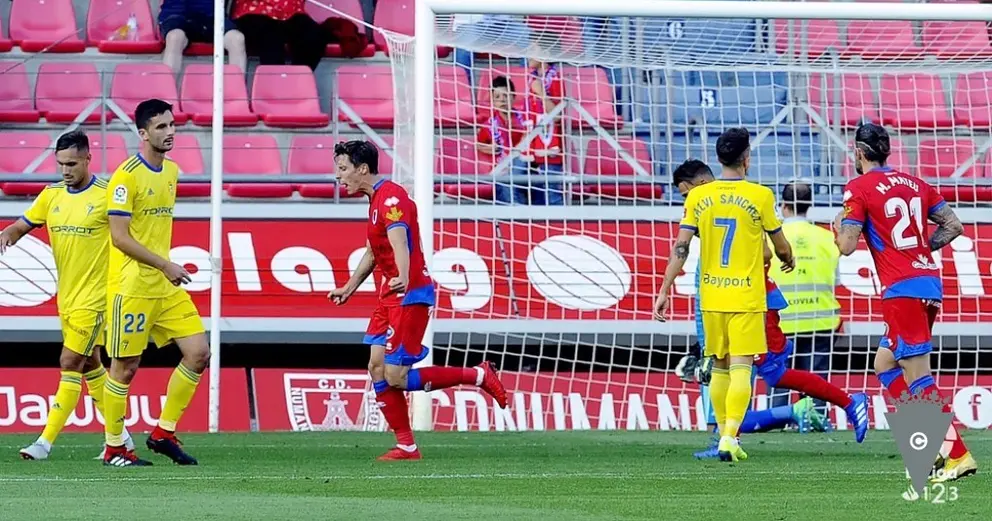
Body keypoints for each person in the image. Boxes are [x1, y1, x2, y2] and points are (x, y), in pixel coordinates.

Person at [669, 160, 868, 460]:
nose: (686, 203)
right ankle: (732, 436)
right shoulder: (734, 204)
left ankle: (833, 405)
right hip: (744, 302)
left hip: (754, 303)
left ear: (699, 187)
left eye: (686, 195)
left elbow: (766, 250)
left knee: (755, 372)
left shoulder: (737, 204)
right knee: (756, 373)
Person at [328, 140, 508, 461]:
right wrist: (349, 287)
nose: (338, 177)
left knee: (396, 376)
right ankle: (407, 446)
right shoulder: (374, 201)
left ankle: (478, 375)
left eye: (343, 169)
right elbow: (374, 251)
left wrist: (404, 276)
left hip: (409, 294)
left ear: (363, 169)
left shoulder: (392, 198)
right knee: (376, 366)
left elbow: (401, 242)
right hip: (390, 294)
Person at [834, 122, 976, 483]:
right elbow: (953, 225)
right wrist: (919, 251)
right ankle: (927, 446)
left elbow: (847, 246)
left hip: (902, 291)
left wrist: (839, 224)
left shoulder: (859, 187)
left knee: (918, 375)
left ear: (860, 153)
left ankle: (956, 454)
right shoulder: (915, 183)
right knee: (885, 363)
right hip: (928, 282)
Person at [653, 128, 795, 463]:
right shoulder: (760, 195)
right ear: (747, 158)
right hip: (746, 295)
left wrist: (664, 289)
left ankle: (721, 438)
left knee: (717, 367)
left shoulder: (697, 198)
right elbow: (779, 245)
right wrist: (788, 257)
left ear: (718, 160)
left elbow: (681, 247)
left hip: (711, 295)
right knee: (742, 368)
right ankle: (730, 437)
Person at [1, 131, 134, 460]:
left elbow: (129, 236)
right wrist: (6, 234)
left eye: (72, 163)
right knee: (91, 365)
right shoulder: (51, 195)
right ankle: (122, 438)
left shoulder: (107, 196)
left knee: (69, 362)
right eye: (60, 164)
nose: (65, 170)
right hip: (68, 299)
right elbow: (22, 225)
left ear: (88, 159)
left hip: (98, 299)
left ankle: (43, 443)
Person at [102, 99, 210, 467]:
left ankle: (163, 433)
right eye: (161, 127)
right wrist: (165, 264)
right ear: (143, 133)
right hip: (132, 285)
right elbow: (119, 237)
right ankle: (114, 446)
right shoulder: (126, 176)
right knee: (125, 367)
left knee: (198, 353)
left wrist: (165, 269)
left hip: (164, 285)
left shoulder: (172, 171)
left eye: (172, 124)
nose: (170, 132)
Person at [767, 180, 841, 413]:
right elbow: (835, 280)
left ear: (783, 205)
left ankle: (776, 427)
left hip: (780, 323)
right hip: (820, 322)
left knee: (779, 382)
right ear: (809, 205)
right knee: (817, 385)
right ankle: (817, 425)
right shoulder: (826, 237)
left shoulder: (770, 237)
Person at [475, 76, 529, 205]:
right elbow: (478, 145)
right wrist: (489, 148)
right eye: (497, 98)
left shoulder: (526, 119)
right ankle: (515, 215)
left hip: (527, 167)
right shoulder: (488, 125)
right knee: (504, 180)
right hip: (502, 170)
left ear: (514, 97)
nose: (502, 101)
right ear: (492, 102)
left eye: (506, 96)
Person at [232, 0, 328, 71]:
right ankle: (274, 89)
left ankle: (297, 84)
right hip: (255, 11)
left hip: (291, 11)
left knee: (314, 36)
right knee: (271, 38)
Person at [159, 0, 247, 73]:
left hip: (213, 16)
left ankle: (236, 90)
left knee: (237, 39)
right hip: (176, 14)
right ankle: (167, 91)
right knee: (174, 38)